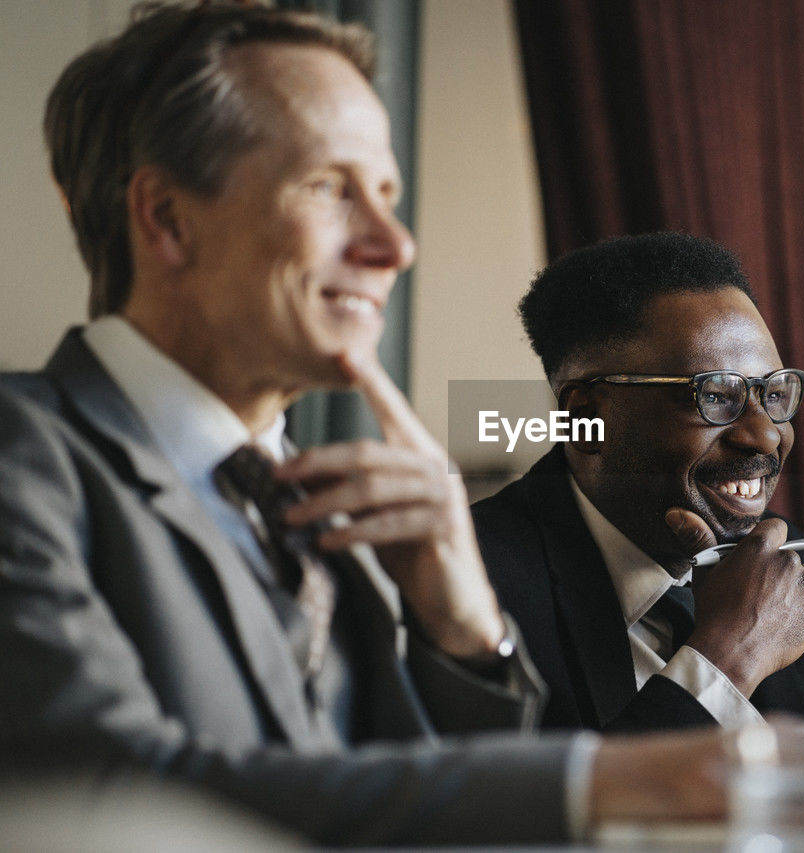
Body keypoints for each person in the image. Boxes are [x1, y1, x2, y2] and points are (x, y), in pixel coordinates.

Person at [0, 3, 730, 846]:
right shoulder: (26, 460)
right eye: (329, 187)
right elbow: (109, 793)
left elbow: (439, 813)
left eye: (386, 194)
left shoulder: (338, 507)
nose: (395, 244)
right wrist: (591, 780)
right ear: (167, 219)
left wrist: (467, 635)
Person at [472, 232, 804, 733]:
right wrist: (727, 658)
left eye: (774, 393)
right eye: (715, 395)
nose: (765, 436)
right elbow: (546, 803)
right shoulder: (473, 584)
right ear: (588, 418)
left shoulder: (781, 567)